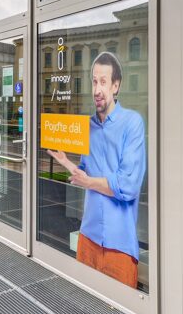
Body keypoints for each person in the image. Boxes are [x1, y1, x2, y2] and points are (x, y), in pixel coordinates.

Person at [47, 51, 146, 288]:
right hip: (88, 237)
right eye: (94, 82)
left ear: (115, 86)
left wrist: (89, 182)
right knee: (83, 306)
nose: (97, 89)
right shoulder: (87, 127)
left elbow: (128, 186)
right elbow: (85, 173)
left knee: (120, 311)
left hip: (119, 246)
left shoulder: (132, 123)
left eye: (103, 82)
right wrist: (66, 163)